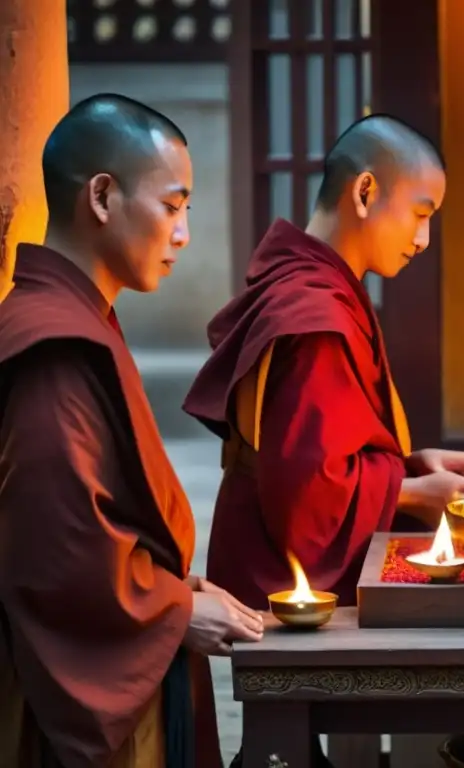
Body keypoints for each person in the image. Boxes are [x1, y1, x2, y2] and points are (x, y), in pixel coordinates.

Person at [0, 94, 263, 768]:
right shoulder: (53, 348)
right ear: (103, 197)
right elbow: (53, 551)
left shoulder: (76, 320)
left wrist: (179, 586)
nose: (183, 233)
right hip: (57, 694)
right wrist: (170, 607)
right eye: (172, 206)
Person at [183, 114, 464, 613]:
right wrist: (413, 494)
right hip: (287, 583)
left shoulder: (315, 286)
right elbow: (308, 494)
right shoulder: (314, 314)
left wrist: (410, 466)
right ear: (366, 192)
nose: (424, 239)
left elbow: (322, 450)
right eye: (420, 214)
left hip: (256, 535)